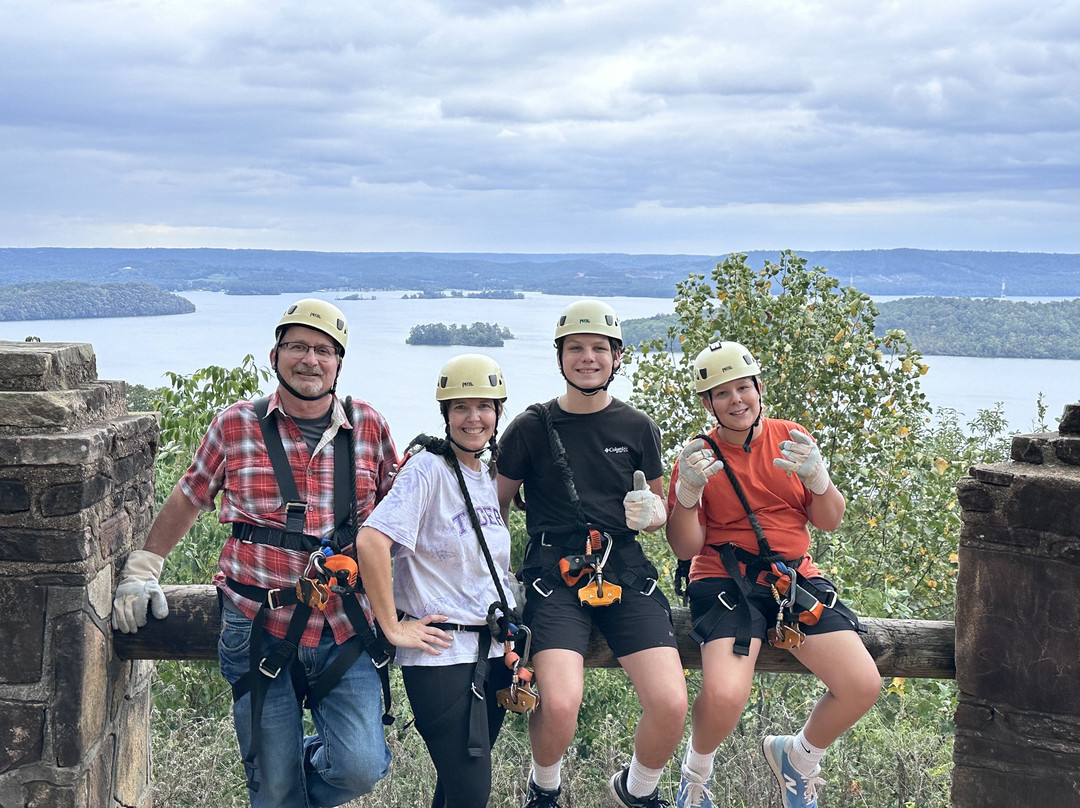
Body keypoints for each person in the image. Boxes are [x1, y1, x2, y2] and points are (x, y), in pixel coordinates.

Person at [112, 298, 398, 808]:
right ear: (274, 356)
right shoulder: (236, 424)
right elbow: (190, 495)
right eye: (298, 347)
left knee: (358, 767)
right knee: (274, 784)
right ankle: (279, 786)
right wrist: (145, 567)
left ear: (338, 363)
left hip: (345, 626)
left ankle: (286, 784)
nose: (310, 360)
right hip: (257, 624)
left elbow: (400, 514)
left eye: (324, 351)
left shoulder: (368, 426)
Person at [666, 341, 882, 808]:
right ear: (707, 403)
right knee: (725, 694)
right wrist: (687, 495)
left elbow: (829, 520)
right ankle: (695, 777)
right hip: (724, 579)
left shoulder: (791, 438)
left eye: (743, 387)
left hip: (792, 578)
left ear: (759, 388)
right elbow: (684, 547)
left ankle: (798, 759)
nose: (736, 400)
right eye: (722, 393)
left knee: (862, 685)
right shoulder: (698, 457)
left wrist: (819, 480)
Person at [496, 299, 687, 808]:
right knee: (560, 704)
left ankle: (637, 790)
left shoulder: (638, 427)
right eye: (575, 348)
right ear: (560, 357)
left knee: (671, 703)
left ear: (617, 357)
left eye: (599, 348)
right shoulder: (531, 427)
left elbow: (659, 508)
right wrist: (494, 575)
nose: (587, 358)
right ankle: (544, 788)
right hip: (553, 572)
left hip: (624, 569)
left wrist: (653, 513)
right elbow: (494, 508)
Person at [355, 353, 520, 808]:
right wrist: (393, 627)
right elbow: (371, 541)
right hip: (442, 658)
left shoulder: (482, 475)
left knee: (455, 790)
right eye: (461, 407)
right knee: (471, 794)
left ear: (498, 413)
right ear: (445, 414)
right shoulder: (427, 469)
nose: (473, 418)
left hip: (488, 651)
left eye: (484, 406)